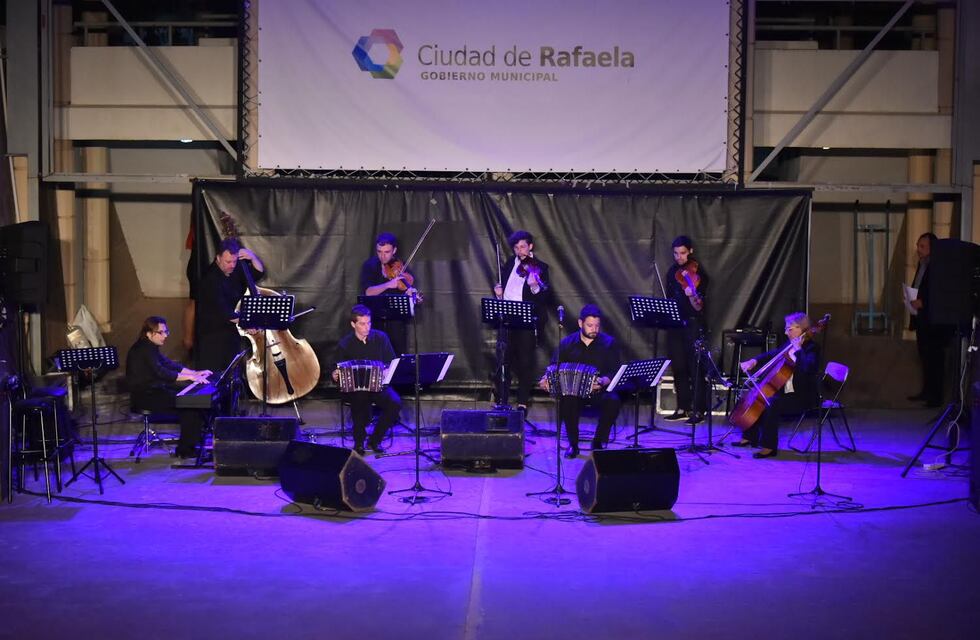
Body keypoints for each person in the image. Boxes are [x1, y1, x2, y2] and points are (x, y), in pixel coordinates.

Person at [539, 305, 623, 458]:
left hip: (599, 391)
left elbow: (615, 371)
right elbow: (553, 366)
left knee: (614, 400)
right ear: (580, 323)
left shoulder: (609, 343)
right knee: (568, 399)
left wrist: (603, 381)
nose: (594, 329)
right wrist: (546, 379)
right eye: (590, 325)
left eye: (597, 326)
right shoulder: (567, 343)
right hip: (575, 394)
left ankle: (598, 441)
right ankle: (573, 444)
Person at [735, 312, 821, 459]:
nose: (786, 332)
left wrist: (799, 350)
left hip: (802, 396)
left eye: (789, 328)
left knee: (771, 403)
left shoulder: (812, 348)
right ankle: (750, 436)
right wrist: (754, 361)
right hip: (785, 391)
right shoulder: (789, 344)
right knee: (757, 394)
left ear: (801, 328)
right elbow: (773, 354)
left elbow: (809, 368)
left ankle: (769, 447)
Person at [126, 316, 212, 459]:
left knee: (192, 401)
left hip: (156, 390)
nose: (165, 335)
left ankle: (192, 445)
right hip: (145, 396)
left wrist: (194, 372)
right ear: (149, 334)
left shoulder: (150, 347)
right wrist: (191, 378)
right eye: (161, 332)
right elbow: (161, 372)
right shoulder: (143, 349)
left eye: (166, 332)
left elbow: (169, 365)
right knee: (190, 406)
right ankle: (185, 450)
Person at [332, 304, 402, 455]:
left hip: (379, 385)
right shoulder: (345, 344)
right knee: (359, 400)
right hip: (355, 388)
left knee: (395, 403)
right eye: (362, 324)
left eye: (369, 323)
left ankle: (375, 439)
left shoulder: (381, 338)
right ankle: (359, 441)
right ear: (353, 324)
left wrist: (386, 372)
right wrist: (335, 375)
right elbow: (337, 370)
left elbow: (391, 362)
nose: (367, 327)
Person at [493, 229, 551, 412]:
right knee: (504, 361)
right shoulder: (510, 263)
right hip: (508, 320)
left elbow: (544, 299)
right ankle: (502, 401)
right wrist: (499, 296)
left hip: (527, 322)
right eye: (517, 248)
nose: (520, 251)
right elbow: (506, 291)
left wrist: (534, 286)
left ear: (530, 246)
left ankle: (522, 404)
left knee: (525, 363)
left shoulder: (541, 267)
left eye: (523, 247)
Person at [194, 237, 264, 373]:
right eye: (228, 262)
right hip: (212, 336)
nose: (232, 265)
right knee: (215, 376)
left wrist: (252, 257)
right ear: (218, 258)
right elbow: (225, 312)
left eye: (234, 261)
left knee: (232, 374)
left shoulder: (235, 269)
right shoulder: (210, 279)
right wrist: (249, 322)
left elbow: (258, 273)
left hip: (230, 333)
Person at [664, 235, 709, 425]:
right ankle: (683, 407)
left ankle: (698, 410)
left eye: (682, 253)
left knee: (695, 368)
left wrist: (692, 295)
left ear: (690, 251)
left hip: (693, 324)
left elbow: (700, 306)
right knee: (679, 367)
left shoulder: (700, 274)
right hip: (675, 325)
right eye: (675, 253)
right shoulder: (672, 272)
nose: (679, 257)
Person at [360, 232, 419, 357]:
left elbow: (407, 286)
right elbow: (368, 292)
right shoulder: (369, 266)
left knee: (397, 356)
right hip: (375, 320)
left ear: (394, 250)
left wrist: (409, 294)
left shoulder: (401, 266)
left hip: (396, 322)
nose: (382, 256)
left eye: (386, 252)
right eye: (379, 251)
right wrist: (388, 284)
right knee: (377, 356)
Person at [908, 232, 949, 408]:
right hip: (921, 319)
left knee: (935, 359)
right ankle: (926, 391)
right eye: (918, 246)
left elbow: (941, 292)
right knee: (924, 357)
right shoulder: (922, 264)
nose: (918, 249)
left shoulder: (939, 266)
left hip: (934, 321)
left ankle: (936, 397)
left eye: (922, 246)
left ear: (933, 248)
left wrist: (923, 302)